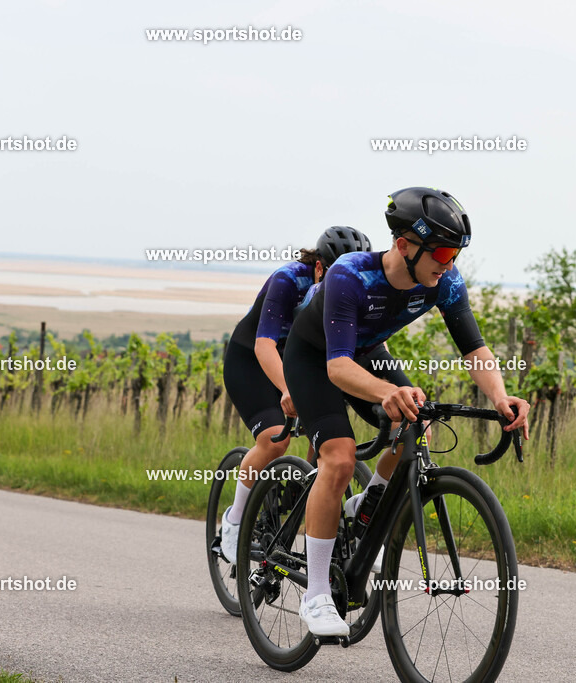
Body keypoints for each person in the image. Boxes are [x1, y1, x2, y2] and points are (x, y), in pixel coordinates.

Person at [282, 187, 531, 636]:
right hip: (315, 358)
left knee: (418, 423)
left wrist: (500, 396)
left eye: (456, 254)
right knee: (338, 459)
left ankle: (367, 504)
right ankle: (316, 595)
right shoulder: (350, 274)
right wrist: (386, 392)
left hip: (366, 352)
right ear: (403, 245)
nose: (449, 263)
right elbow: (337, 367)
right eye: (443, 252)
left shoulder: (445, 282)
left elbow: (474, 349)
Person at [220, 226, 372, 565]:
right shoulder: (288, 279)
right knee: (275, 440)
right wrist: (289, 389)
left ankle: (307, 502)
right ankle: (235, 520)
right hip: (253, 361)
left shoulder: (356, 290)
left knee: (327, 440)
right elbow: (264, 345)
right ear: (318, 268)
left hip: (305, 360)